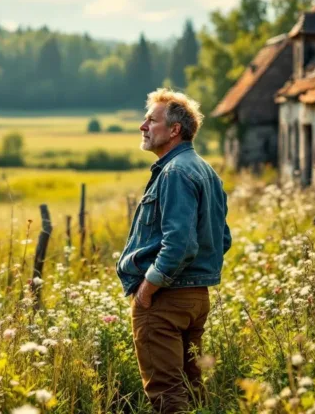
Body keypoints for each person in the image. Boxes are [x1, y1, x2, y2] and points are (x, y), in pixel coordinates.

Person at [115, 88, 232, 413]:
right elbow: (222, 239)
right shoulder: (206, 171)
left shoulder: (175, 173)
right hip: (195, 297)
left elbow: (179, 244)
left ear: (174, 129)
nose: (143, 126)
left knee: (167, 394)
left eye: (151, 120)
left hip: (165, 299)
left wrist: (147, 290)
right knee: (192, 388)